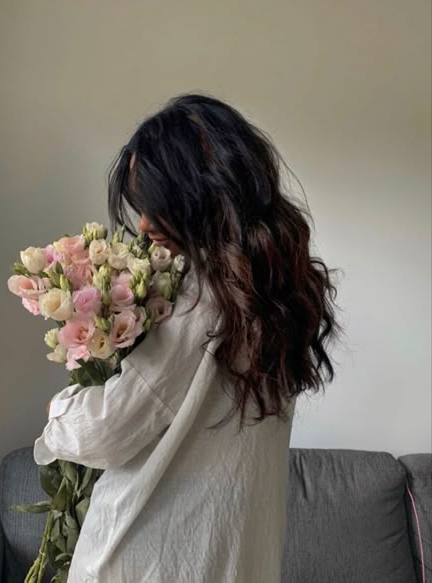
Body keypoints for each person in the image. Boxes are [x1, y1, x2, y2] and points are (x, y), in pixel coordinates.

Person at [34, 93, 342, 583]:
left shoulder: (203, 302)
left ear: (200, 191)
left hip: (148, 562)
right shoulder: (275, 296)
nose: (143, 224)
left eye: (155, 203)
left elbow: (105, 431)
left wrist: (61, 410)